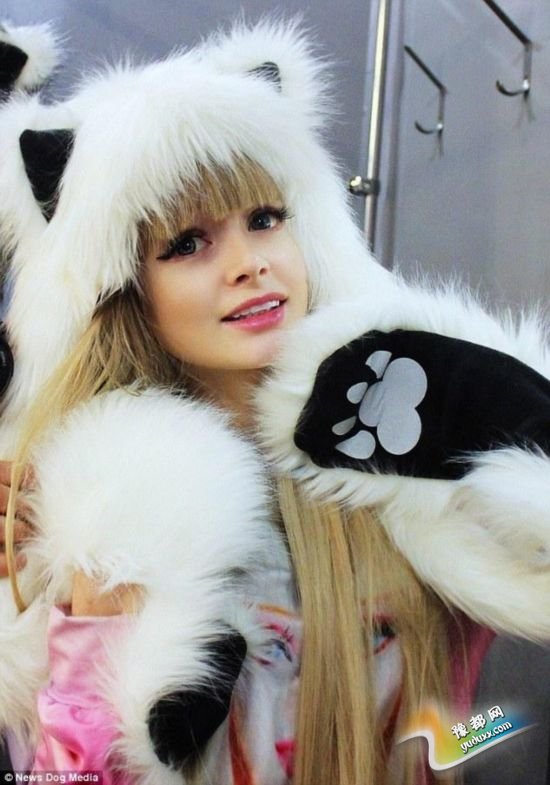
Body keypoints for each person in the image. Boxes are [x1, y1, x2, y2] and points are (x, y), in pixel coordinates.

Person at [1, 19, 550, 785]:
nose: (249, 264)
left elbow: (475, 725)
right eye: (188, 243)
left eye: (265, 219)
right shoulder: (74, 515)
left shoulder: (401, 470)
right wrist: (97, 620)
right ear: (130, 288)